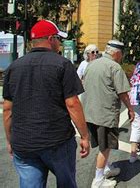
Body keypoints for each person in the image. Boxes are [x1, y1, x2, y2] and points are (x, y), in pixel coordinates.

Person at [2, 20, 89, 188]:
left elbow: (7, 109)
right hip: (57, 140)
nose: (60, 43)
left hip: (24, 142)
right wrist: (84, 136)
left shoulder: (14, 67)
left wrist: (10, 139)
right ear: (51, 39)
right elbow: (72, 104)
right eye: (58, 39)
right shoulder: (62, 64)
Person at [82, 40, 135, 188]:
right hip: (105, 113)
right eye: (121, 54)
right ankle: (98, 180)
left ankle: (106, 167)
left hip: (90, 112)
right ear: (117, 53)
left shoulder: (92, 64)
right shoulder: (114, 67)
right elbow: (123, 93)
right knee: (105, 146)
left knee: (101, 144)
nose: (121, 57)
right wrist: (130, 109)